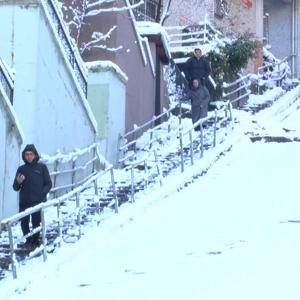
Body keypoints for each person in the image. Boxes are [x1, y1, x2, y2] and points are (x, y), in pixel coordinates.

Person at [13, 144, 52, 247]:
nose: (29, 156)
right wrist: (18, 182)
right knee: (24, 223)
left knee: (36, 223)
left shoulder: (42, 167)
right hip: (24, 202)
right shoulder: (21, 169)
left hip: (37, 201)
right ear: (24, 156)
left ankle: (35, 242)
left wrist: (42, 194)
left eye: (31, 154)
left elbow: (48, 183)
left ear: (35, 155)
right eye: (27, 154)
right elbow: (15, 187)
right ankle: (27, 240)